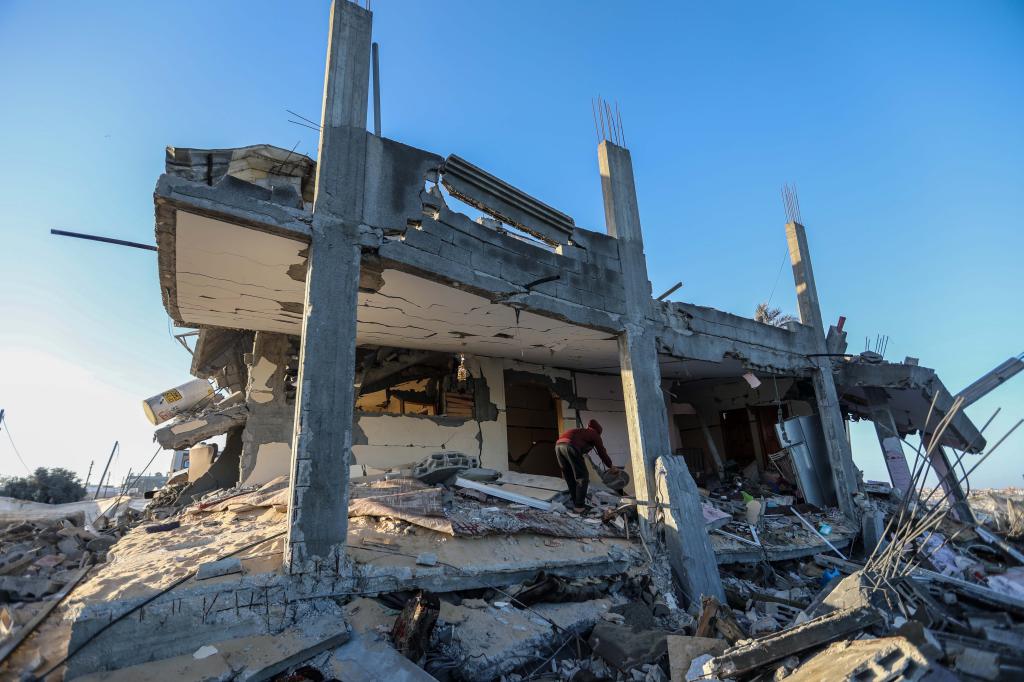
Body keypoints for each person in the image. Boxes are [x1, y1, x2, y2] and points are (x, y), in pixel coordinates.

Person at [554, 419, 620, 512]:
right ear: (599, 431)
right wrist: (611, 466)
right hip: (571, 446)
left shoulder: (582, 432)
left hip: (558, 446)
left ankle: (576, 503)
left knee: (569, 476)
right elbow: (601, 451)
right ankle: (579, 507)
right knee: (583, 477)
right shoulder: (594, 434)